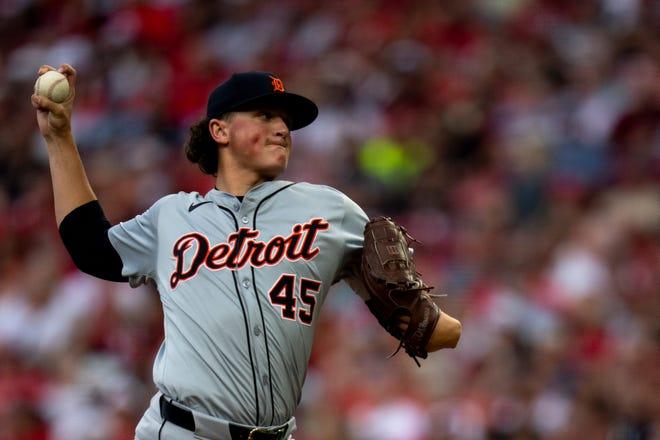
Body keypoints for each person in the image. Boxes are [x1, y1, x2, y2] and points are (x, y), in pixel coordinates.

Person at [31, 64, 461, 440]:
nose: (281, 128)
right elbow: (91, 249)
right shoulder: (173, 216)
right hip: (182, 432)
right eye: (264, 114)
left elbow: (438, 332)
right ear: (219, 130)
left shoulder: (331, 210)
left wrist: (427, 321)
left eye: (286, 121)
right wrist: (60, 139)